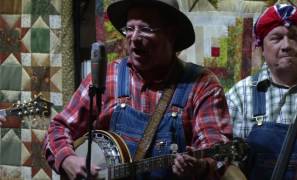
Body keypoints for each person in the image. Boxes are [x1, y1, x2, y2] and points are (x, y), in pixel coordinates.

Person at [43, 0, 232, 179]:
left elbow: (216, 149)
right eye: (130, 28)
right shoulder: (107, 77)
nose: (134, 38)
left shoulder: (202, 85)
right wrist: (67, 159)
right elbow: (59, 128)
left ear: (171, 35)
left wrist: (201, 167)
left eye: (145, 29)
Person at [226, 2, 297, 180]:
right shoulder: (240, 96)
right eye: (276, 38)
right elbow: (227, 164)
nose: (286, 45)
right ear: (262, 48)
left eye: (294, 37)